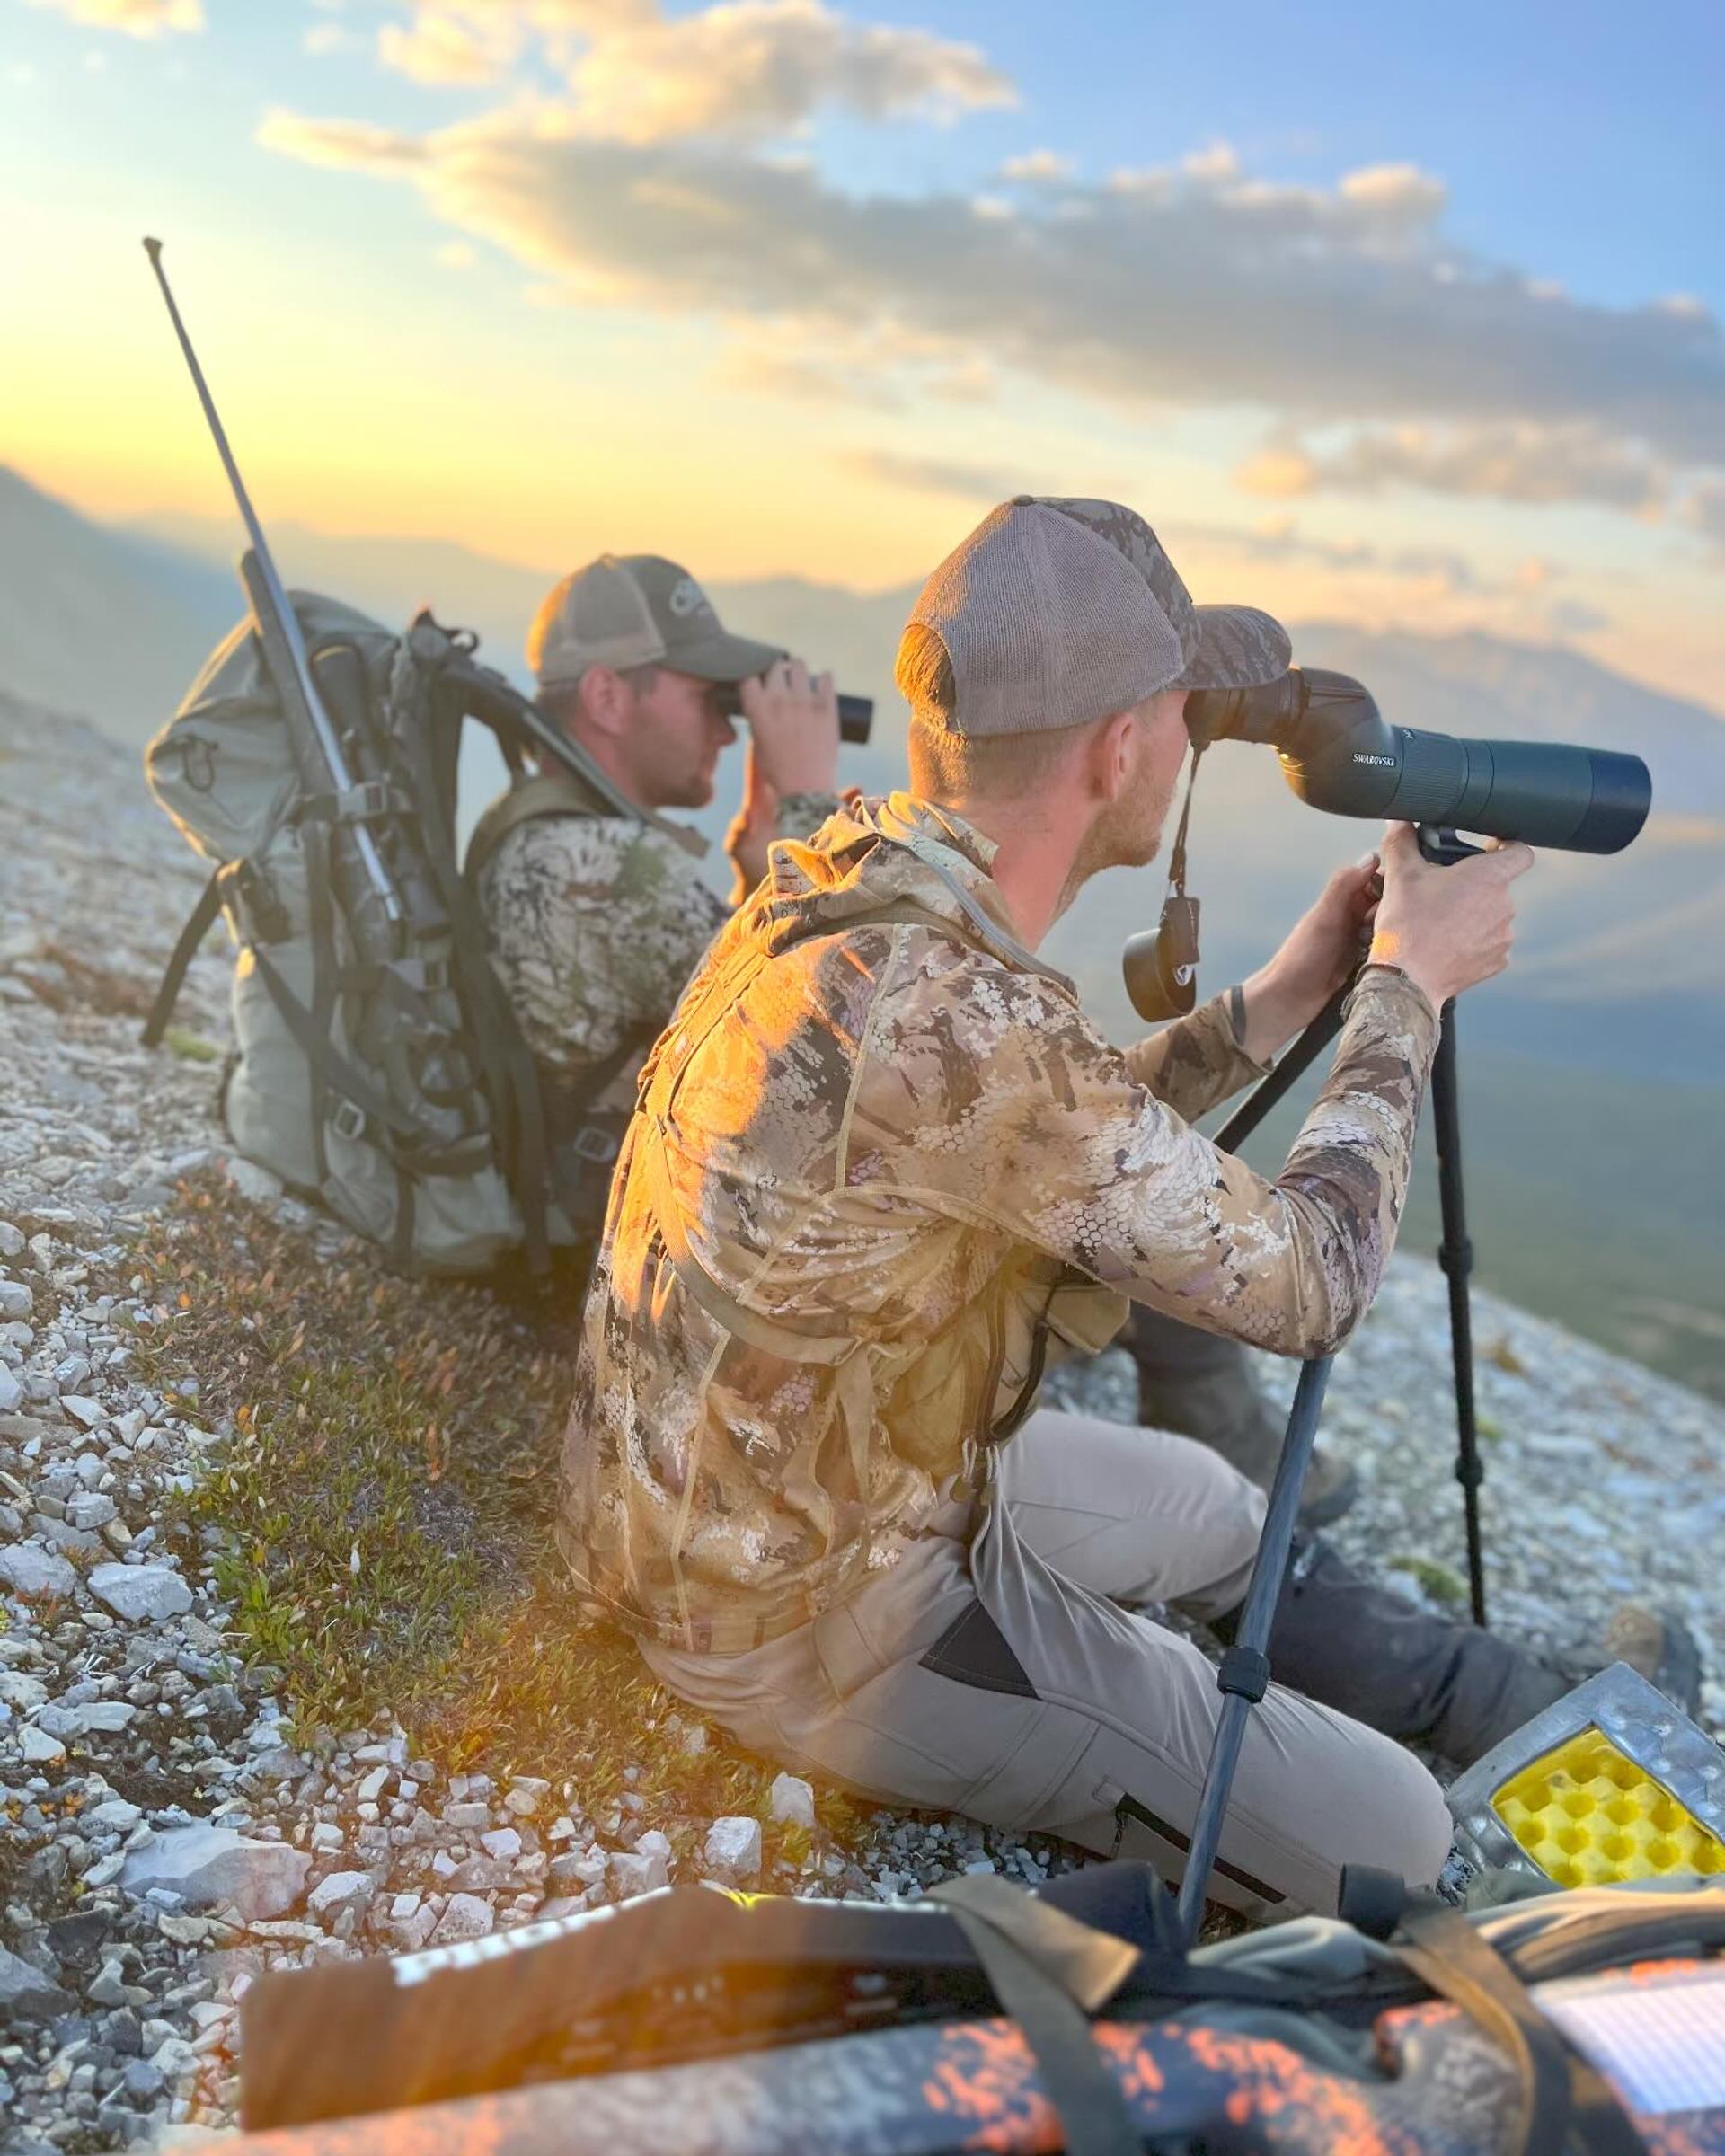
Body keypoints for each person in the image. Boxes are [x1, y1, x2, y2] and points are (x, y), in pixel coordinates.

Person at [468, 552, 841, 1235]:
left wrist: (759, 879)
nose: (730, 731)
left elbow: (695, 999)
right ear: (608, 697)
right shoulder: (606, 866)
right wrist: (807, 810)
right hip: (582, 1249)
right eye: (710, 699)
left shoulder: (552, 833)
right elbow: (814, 1053)